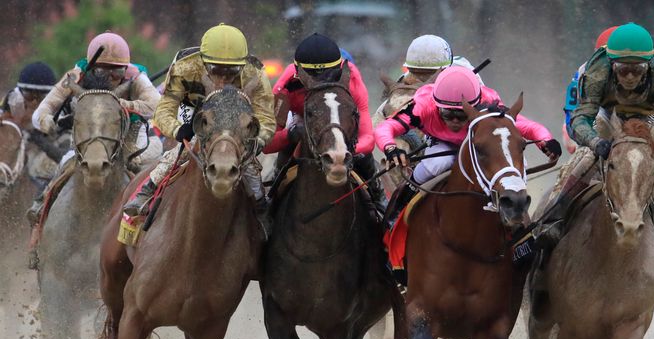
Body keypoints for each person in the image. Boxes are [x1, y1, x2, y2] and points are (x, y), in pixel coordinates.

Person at [548, 22, 654, 270]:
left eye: (637, 70)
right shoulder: (595, 70)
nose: (630, 77)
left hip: (646, 116)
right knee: (587, 158)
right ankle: (554, 219)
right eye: (623, 70)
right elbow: (579, 117)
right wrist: (594, 142)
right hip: (603, 114)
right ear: (610, 63)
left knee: (646, 166)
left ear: (648, 64)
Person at [123, 24, 276, 227]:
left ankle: (260, 205)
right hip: (192, 107)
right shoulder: (185, 67)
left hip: (234, 114)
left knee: (245, 157)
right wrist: (177, 129)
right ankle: (147, 189)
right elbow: (164, 109)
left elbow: (266, 117)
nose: (223, 78)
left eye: (231, 71)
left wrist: (257, 140)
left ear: (242, 65)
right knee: (186, 147)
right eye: (216, 70)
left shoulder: (254, 72)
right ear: (203, 62)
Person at [375, 65, 558, 227]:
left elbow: (526, 126)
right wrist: (390, 148)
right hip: (443, 144)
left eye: (462, 115)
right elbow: (386, 127)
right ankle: (398, 208)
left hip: (481, 144)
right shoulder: (423, 105)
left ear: (475, 106)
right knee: (436, 164)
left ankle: (522, 227)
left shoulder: (489, 105)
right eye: (448, 114)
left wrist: (545, 140)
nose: (455, 122)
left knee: (516, 164)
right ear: (436, 105)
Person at [27, 32, 160, 225]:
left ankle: (150, 210)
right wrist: (46, 120)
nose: (111, 78)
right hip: (88, 133)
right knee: (67, 161)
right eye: (102, 72)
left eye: (117, 73)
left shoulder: (136, 76)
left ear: (126, 70)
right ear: (91, 68)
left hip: (128, 133)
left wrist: (124, 104)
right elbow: (40, 112)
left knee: (140, 163)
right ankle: (43, 202)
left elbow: (158, 105)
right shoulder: (75, 75)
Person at [266, 33, 386, 213]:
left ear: (339, 70)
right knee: (285, 151)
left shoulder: (352, 79)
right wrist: (291, 134)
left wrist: (344, 150)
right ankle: (271, 199)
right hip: (303, 118)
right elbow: (268, 144)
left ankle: (380, 199)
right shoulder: (285, 86)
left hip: (338, 120)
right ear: (298, 73)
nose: (319, 82)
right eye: (312, 76)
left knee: (364, 157)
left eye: (328, 75)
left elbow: (367, 139)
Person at [0, 62, 66, 190]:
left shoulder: (62, 115)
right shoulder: (9, 105)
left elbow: (64, 158)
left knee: (44, 168)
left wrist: (37, 137)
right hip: (13, 163)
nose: (35, 103)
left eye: (41, 97)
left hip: (45, 159)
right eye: (29, 96)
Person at [562, 26, 618, 154]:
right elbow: (572, 111)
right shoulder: (584, 72)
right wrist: (592, 140)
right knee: (598, 130)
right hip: (589, 118)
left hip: (622, 118)